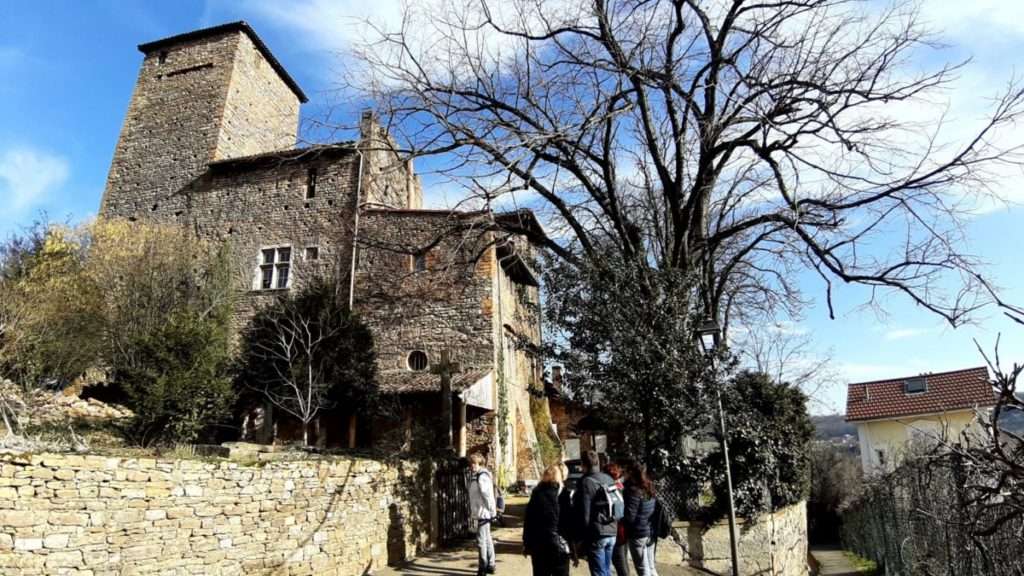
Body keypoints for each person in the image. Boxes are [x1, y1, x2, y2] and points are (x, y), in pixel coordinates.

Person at [523, 464, 572, 576]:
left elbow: (529, 520)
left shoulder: (537, 493)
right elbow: (568, 522)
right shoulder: (563, 494)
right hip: (559, 544)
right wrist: (572, 545)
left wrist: (526, 543)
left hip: (538, 544)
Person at [575, 450, 618, 576]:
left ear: (583, 464)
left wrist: (580, 539)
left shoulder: (585, 482)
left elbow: (584, 513)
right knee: (607, 571)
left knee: (599, 573)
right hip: (612, 530)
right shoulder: (608, 478)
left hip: (596, 533)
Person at [623, 462, 658, 576]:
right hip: (650, 531)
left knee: (643, 569)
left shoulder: (632, 490)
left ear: (630, 473)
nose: (624, 474)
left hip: (638, 533)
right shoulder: (649, 486)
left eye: (625, 472)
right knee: (651, 567)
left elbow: (630, 516)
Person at [468, 452, 497, 576]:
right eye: (471, 463)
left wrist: (492, 511)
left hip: (483, 513)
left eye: (475, 463)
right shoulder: (476, 476)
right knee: (487, 539)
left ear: (480, 464)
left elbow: (488, 495)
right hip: (481, 512)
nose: (472, 466)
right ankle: (491, 564)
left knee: (481, 541)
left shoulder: (482, 476)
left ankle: (482, 568)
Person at [604, 462, 630, 576]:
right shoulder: (621, 486)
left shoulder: (613, 488)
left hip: (618, 529)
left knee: (619, 559)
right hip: (623, 528)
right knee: (622, 558)